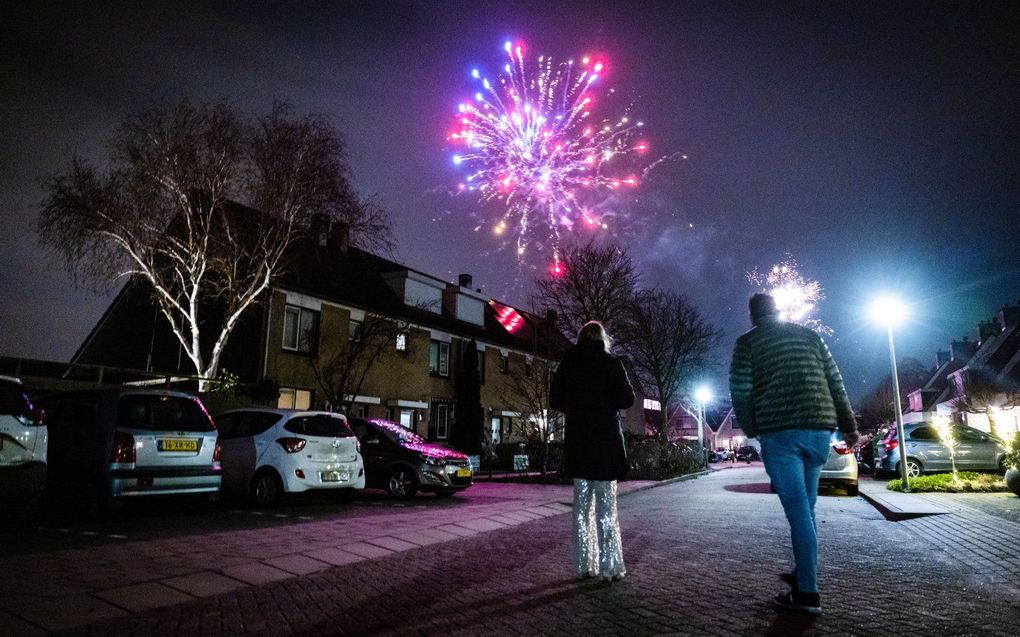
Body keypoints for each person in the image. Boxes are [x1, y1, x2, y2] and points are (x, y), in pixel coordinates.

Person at [729, 293, 859, 615]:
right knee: (809, 509)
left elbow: (741, 389)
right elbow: (835, 383)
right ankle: (804, 577)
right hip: (818, 431)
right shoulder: (810, 336)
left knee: (799, 511)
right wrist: (849, 426)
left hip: (781, 432)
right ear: (778, 311)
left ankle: (808, 595)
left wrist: (751, 427)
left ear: (753, 316)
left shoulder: (748, 344)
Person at [550, 320, 635, 582]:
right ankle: (610, 568)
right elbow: (627, 399)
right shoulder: (612, 364)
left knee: (581, 508)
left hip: (578, 442)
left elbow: (555, 399)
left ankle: (583, 564)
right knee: (606, 510)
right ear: (602, 339)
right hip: (606, 444)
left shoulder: (569, 364)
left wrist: (578, 409)